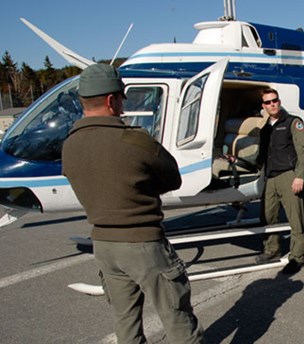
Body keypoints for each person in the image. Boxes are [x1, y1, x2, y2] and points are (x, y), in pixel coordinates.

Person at [62, 64, 204, 343]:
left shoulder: (70, 145)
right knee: (177, 319)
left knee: (125, 322)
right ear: (110, 100)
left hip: (103, 245)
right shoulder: (134, 139)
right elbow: (172, 178)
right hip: (144, 243)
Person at [255, 88, 304, 274]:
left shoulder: (293, 123)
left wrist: (299, 176)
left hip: (289, 175)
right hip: (270, 177)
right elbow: (262, 156)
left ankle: (297, 257)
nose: (272, 104)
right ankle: (272, 248)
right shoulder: (265, 129)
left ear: (279, 101)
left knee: (296, 218)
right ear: (263, 106)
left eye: (275, 100)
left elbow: (303, 150)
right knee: (267, 215)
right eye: (268, 102)